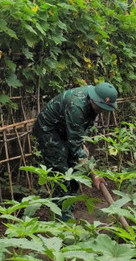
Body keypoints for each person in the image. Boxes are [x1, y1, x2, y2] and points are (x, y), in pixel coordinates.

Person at [32, 82, 118, 219]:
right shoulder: (76, 105)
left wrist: (81, 142)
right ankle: (62, 222)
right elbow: (77, 147)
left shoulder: (93, 105)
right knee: (62, 176)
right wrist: (93, 175)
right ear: (93, 100)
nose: (102, 111)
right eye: (101, 107)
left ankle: (68, 212)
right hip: (49, 131)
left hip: (66, 130)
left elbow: (81, 131)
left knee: (75, 174)